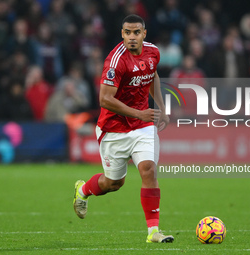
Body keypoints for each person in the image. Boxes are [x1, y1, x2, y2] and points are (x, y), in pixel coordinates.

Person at [73, 14, 174, 244]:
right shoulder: (115, 60)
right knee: (113, 183)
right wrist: (139, 112)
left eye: (136, 32)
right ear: (122, 34)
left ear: (144, 34)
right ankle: (83, 191)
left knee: (148, 169)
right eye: (127, 32)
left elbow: (152, 75)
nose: (132, 37)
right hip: (114, 128)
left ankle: (153, 232)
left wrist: (161, 107)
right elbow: (104, 99)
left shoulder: (153, 52)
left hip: (143, 125)